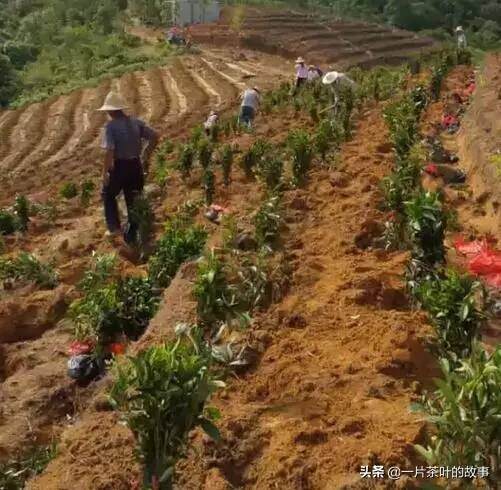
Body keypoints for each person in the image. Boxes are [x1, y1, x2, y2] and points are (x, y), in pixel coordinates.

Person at [98, 91, 158, 244]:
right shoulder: (136, 122)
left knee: (108, 194)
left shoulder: (110, 127)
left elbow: (110, 150)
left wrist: (105, 173)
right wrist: (145, 154)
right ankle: (132, 237)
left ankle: (114, 228)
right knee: (133, 200)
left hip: (120, 167)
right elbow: (155, 136)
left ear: (111, 111)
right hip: (135, 166)